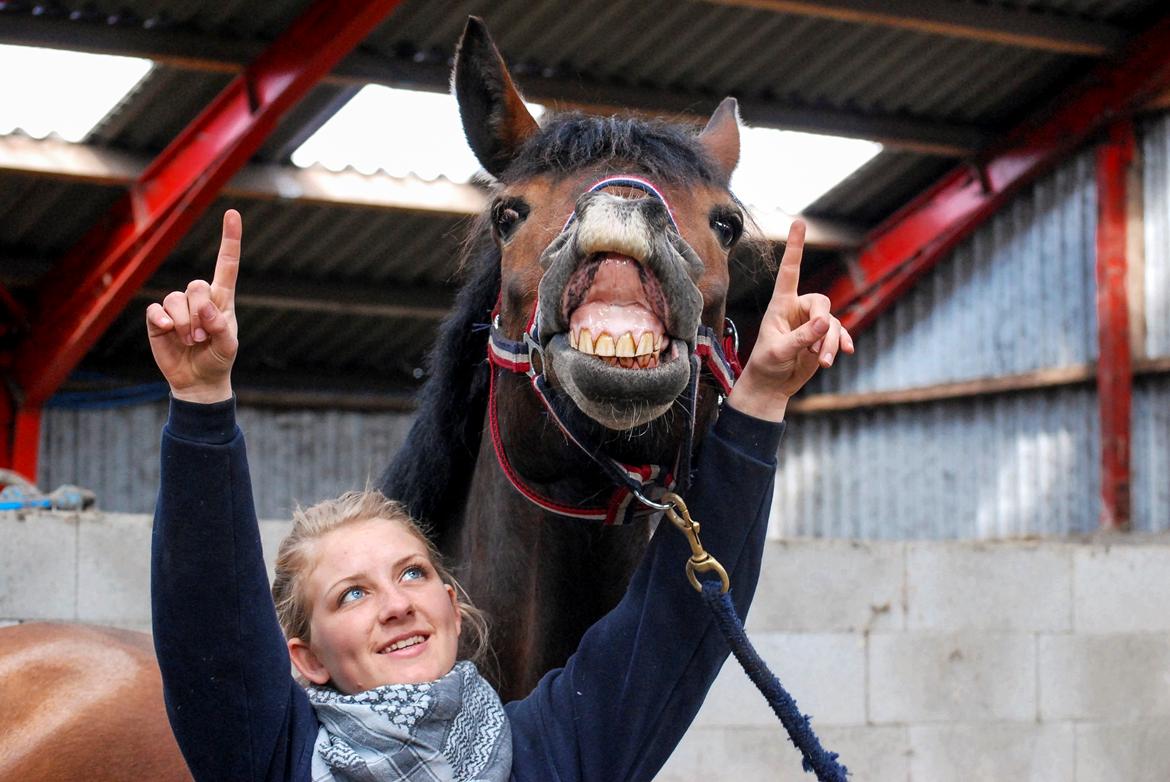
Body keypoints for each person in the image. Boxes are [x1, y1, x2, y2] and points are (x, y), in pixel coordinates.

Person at [149, 209, 852, 781]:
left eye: (412, 574)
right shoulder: (275, 761)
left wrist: (758, 395)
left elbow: (674, 623)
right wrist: (202, 398)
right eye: (351, 596)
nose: (396, 605)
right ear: (304, 657)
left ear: (451, 610)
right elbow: (209, 615)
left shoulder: (551, 752)